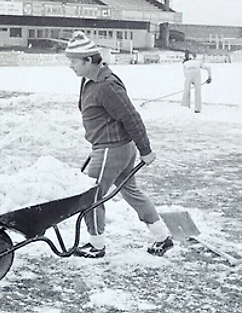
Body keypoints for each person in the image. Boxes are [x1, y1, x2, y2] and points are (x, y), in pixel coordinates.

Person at [64, 31, 173, 258]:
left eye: (74, 61)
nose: (70, 66)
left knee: (90, 197)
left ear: (88, 60)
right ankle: (163, 237)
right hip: (114, 147)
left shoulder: (106, 86)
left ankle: (96, 245)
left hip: (111, 149)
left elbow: (130, 117)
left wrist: (146, 150)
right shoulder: (90, 81)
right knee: (131, 192)